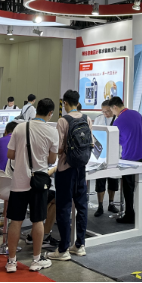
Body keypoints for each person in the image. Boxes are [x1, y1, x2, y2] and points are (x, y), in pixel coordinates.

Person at [6, 98, 58, 272]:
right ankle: (36, 260)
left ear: (36, 110)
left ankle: (11, 262)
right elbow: (52, 160)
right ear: (50, 113)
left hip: (19, 181)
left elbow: (10, 154)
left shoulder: (20, 127)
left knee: (16, 221)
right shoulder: (52, 132)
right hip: (39, 183)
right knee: (38, 220)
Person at [49, 90, 92, 261]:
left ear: (65, 103)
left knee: (64, 207)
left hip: (65, 168)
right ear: (78, 102)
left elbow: (59, 147)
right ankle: (80, 245)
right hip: (81, 168)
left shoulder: (63, 120)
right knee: (82, 206)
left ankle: (63, 249)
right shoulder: (87, 119)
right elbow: (90, 143)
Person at [108, 95, 142, 224]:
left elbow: (117, 140)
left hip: (129, 157)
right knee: (140, 185)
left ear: (115, 107)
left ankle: (130, 215)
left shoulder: (118, 122)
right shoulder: (137, 114)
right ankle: (141, 213)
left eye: (112, 110)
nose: (113, 113)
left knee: (128, 189)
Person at [92, 101, 118, 217]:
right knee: (100, 180)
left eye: (107, 111)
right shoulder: (99, 119)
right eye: (103, 111)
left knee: (113, 180)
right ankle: (100, 205)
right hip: (101, 154)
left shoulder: (118, 119)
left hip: (114, 153)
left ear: (112, 109)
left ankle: (111, 203)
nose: (105, 113)